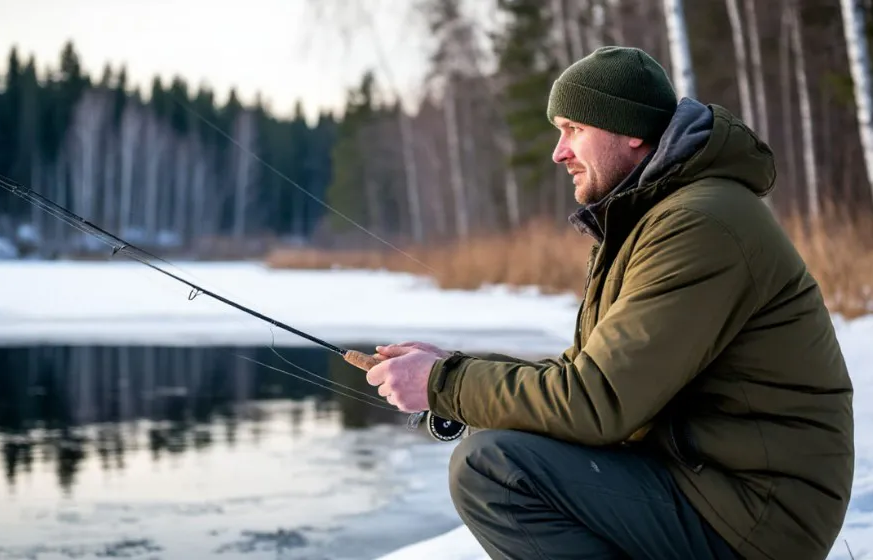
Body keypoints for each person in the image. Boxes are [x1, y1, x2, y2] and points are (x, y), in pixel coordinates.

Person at [365, 46, 854, 560]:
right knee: (509, 455)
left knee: (492, 467)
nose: (559, 152)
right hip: (712, 486)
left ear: (630, 130)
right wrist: (454, 369)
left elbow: (596, 404)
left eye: (573, 128)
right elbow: (590, 375)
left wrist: (444, 385)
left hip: (755, 514)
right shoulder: (654, 218)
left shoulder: (700, 224)